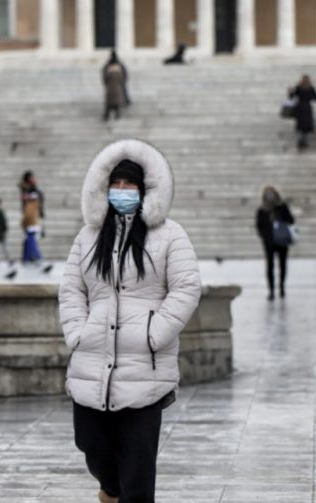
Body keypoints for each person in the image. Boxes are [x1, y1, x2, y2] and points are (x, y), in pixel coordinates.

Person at [59, 139, 201, 503]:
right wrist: (77, 332)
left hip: (144, 369)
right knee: (90, 445)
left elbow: (186, 287)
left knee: (138, 472)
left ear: (145, 189)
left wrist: (154, 333)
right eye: (116, 185)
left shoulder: (170, 235)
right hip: (91, 361)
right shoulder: (89, 236)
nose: (122, 191)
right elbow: (72, 287)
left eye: (130, 185)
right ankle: (110, 490)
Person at [256, 186, 295, 300]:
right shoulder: (262, 210)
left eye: (271, 194)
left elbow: (291, 220)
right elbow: (259, 225)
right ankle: (271, 290)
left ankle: (282, 287)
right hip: (269, 242)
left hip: (282, 240)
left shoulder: (282, 207)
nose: (270, 196)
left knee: (282, 265)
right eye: (268, 194)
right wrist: (265, 236)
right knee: (270, 266)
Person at [19, 171, 45, 264]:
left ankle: (26, 258)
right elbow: (27, 198)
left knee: (29, 237)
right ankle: (36, 256)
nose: (34, 179)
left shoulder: (33, 189)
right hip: (29, 215)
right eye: (31, 178)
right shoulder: (26, 188)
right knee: (30, 237)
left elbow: (39, 198)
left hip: (33, 214)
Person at [290, 75, 316, 150]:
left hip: (300, 107)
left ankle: (301, 140)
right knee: (305, 124)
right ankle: (304, 140)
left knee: (301, 124)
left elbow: (292, 97)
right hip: (307, 107)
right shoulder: (310, 88)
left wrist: (291, 91)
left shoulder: (299, 87)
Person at [102, 51, 128, 121]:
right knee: (115, 102)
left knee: (110, 103)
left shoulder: (108, 66)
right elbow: (124, 76)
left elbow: (105, 77)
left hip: (111, 88)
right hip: (117, 87)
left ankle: (108, 115)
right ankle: (115, 114)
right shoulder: (119, 66)